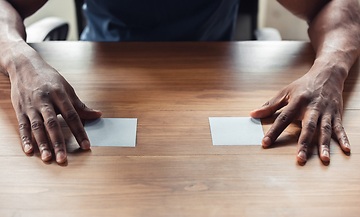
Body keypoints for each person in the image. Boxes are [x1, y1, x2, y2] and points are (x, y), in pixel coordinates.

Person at [0, 0, 359, 165]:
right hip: (100, 93)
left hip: (215, 93)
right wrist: (19, 57)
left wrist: (330, 69)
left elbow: (337, 6)